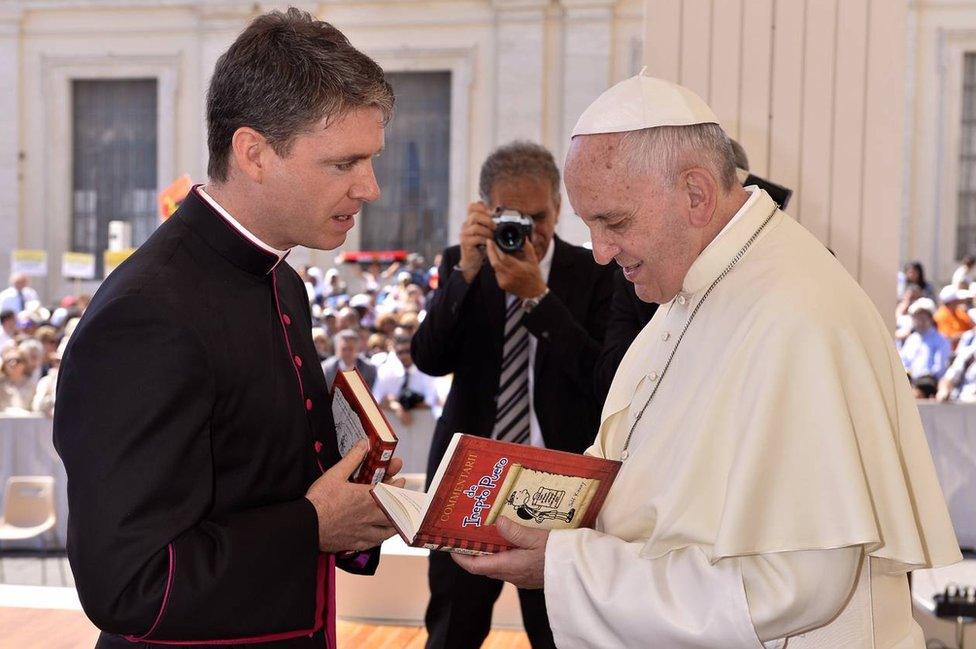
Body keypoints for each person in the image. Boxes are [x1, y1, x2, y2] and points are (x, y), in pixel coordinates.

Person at [453, 72, 960, 648]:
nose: (599, 253)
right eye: (589, 226)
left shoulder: (795, 315)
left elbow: (792, 586)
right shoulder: (694, 288)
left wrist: (565, 566)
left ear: (695, 194)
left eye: (613, 222)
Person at [53, 10, 404, 648]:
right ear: (254, 153)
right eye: (343, 163)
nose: (371, 187)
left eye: (371, 160)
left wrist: (356, 491)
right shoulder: (148, 313)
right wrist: (313, 526)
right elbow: (128, 583)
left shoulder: (284, 280)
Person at [412, 140, 614, 649]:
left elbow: (602, 380)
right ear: (484, 210)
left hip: (557, 490)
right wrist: (463, 275)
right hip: (468, 482)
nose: (527, 230)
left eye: (538, 215)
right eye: (511, 215)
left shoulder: (596, 274)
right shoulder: (463, 264)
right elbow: (430, 358)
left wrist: (538, 300)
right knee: (452, 629)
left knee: (558, 635)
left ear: (559, 207)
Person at [372, 333, 438, 426]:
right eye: (400, 352)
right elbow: (376, 400)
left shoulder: (425, 370)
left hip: (422, 426)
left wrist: (408, 405)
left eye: (407, 351)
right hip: (394, 427)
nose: (404, 356)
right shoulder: (386, 371)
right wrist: (396, 407)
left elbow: (430, 401)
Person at [901, 297, 952, 381]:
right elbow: (903, 361)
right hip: (907, 382)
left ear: (930, 319)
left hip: (929, 384)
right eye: (917, 318)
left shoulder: (941, 340)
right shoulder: (911, 339)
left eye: (923, 318)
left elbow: (940, 368)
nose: (920, 321)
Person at [0, 347, 35, 413]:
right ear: (4, 365)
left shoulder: (32, 386)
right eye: (9, 360)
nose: (13, 363)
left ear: (24, 364)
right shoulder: (0, 384)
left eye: (17, 360)